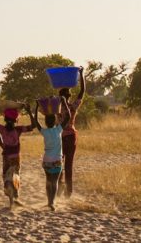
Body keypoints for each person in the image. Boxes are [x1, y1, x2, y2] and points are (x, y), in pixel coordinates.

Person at [0, 105, 36, 208]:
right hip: (16, 158)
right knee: (15, 177)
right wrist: (29, 111)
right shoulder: (18, 129)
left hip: (6, 157)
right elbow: (33, 125)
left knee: (7, 178)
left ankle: (12, 201)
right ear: (16, 120)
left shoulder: (2, 128)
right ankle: (15, 198)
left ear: (5, 119)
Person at [33, 98, 72, 211]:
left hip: (46, 161)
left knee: (48, 181)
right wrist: (64, 102)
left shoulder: (44, 131)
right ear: (55, 121)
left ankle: (49, 201)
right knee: (54, 182)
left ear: (45, 122)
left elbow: (36, 121)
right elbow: (68, 117)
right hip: (56, 161)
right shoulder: (58, 129)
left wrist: (36, 107)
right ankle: (52, 202)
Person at [57, 66, 85, 198]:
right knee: (68, 165)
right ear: (68, 96)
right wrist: (81, 74)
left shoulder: (57, 109)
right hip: (71, 137)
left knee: (59, 165)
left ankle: (61, 187)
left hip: (61, 138)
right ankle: (68, 191)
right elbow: (82, 92)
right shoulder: (72, 107)